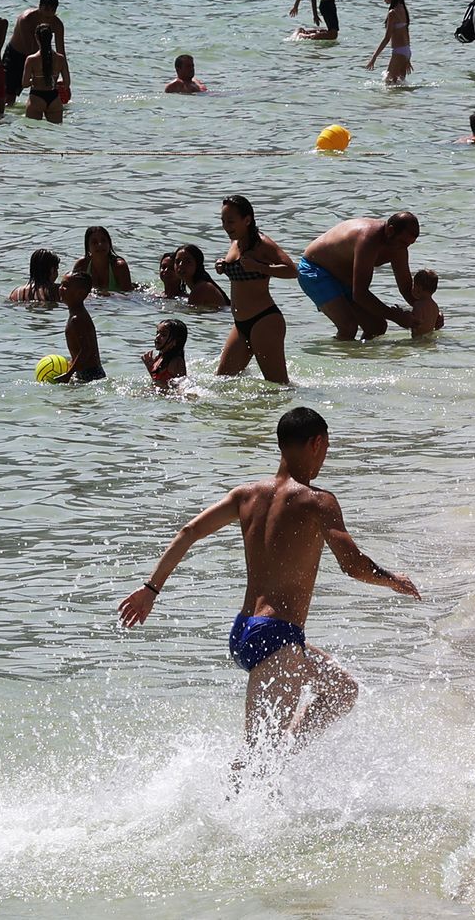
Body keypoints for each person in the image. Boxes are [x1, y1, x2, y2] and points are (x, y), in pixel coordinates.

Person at [116, 406, 420, 761]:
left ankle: (285, 754)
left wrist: (150, 590)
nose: (324, 457)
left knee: (341, 690)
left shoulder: (246, 495)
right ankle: (252, 782)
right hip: (277, 638)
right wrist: (392, 581)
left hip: (246, 630)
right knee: (257, 758)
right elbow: (352, 565)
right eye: (326, 448)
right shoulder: (318, 501)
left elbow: (189, 532)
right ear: (316, 443)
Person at [215, 194, 300, 382]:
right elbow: (239, 272)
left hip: (264, 320)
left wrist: (260, 267)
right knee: (221, 381)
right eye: (223, 221)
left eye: (231, 221)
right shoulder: (235, 242)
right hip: (240, 324)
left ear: (247, 220)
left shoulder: (262, 243)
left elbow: (292, 271)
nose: (226, 226)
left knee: (278, 385)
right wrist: (223, 265)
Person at [297, 213, 420, 341]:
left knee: (376, 327)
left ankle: (359, 354)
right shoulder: (368, 239)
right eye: (402, 242)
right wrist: (397, 317)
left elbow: (406, 288)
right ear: (390, 230)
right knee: (348, 327)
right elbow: (360, 294)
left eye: (409, 244)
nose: (404, 248)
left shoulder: (400, 248)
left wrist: (426, 308)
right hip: (315, 269)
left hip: (343, 276)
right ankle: (332, 353)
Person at [55, 271, 105, 382]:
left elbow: (86, 350)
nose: (60, 288)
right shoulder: (78, 315)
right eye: (61, 284)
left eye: (66, 286)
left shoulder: (77, 319)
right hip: (90, 372)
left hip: (90, 374)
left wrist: (69, 374)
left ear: (80, 293)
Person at [161, 243, 230, 310]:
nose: (181, 265)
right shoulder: (199, 286)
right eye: (177, 261)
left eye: (187, 262)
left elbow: (189, 313)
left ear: (197, 265)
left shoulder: (202, 288)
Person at [76, 225, 133, 294]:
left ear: (109, 244)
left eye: (103, 240)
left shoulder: (119, 266)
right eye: (94, 242)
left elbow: (128, 295)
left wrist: (106, 296)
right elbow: (72, 290)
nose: (100, 244)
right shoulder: (82, 264)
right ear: (88, 247)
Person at [143, 318, 188, 388]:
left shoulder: (176, 362)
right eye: (157, 333)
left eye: (163, 335)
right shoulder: (159, 358)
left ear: (175, 342)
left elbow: (180, 388)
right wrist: (150, 368)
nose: (157, 337)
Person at [407, 269, 443, 337]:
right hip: (430, 337)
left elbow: (416, 323)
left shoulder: (418, 305)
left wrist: (407, 317)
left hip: (418, 338)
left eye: (414, 286)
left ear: (419, 289)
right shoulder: (435, 306)